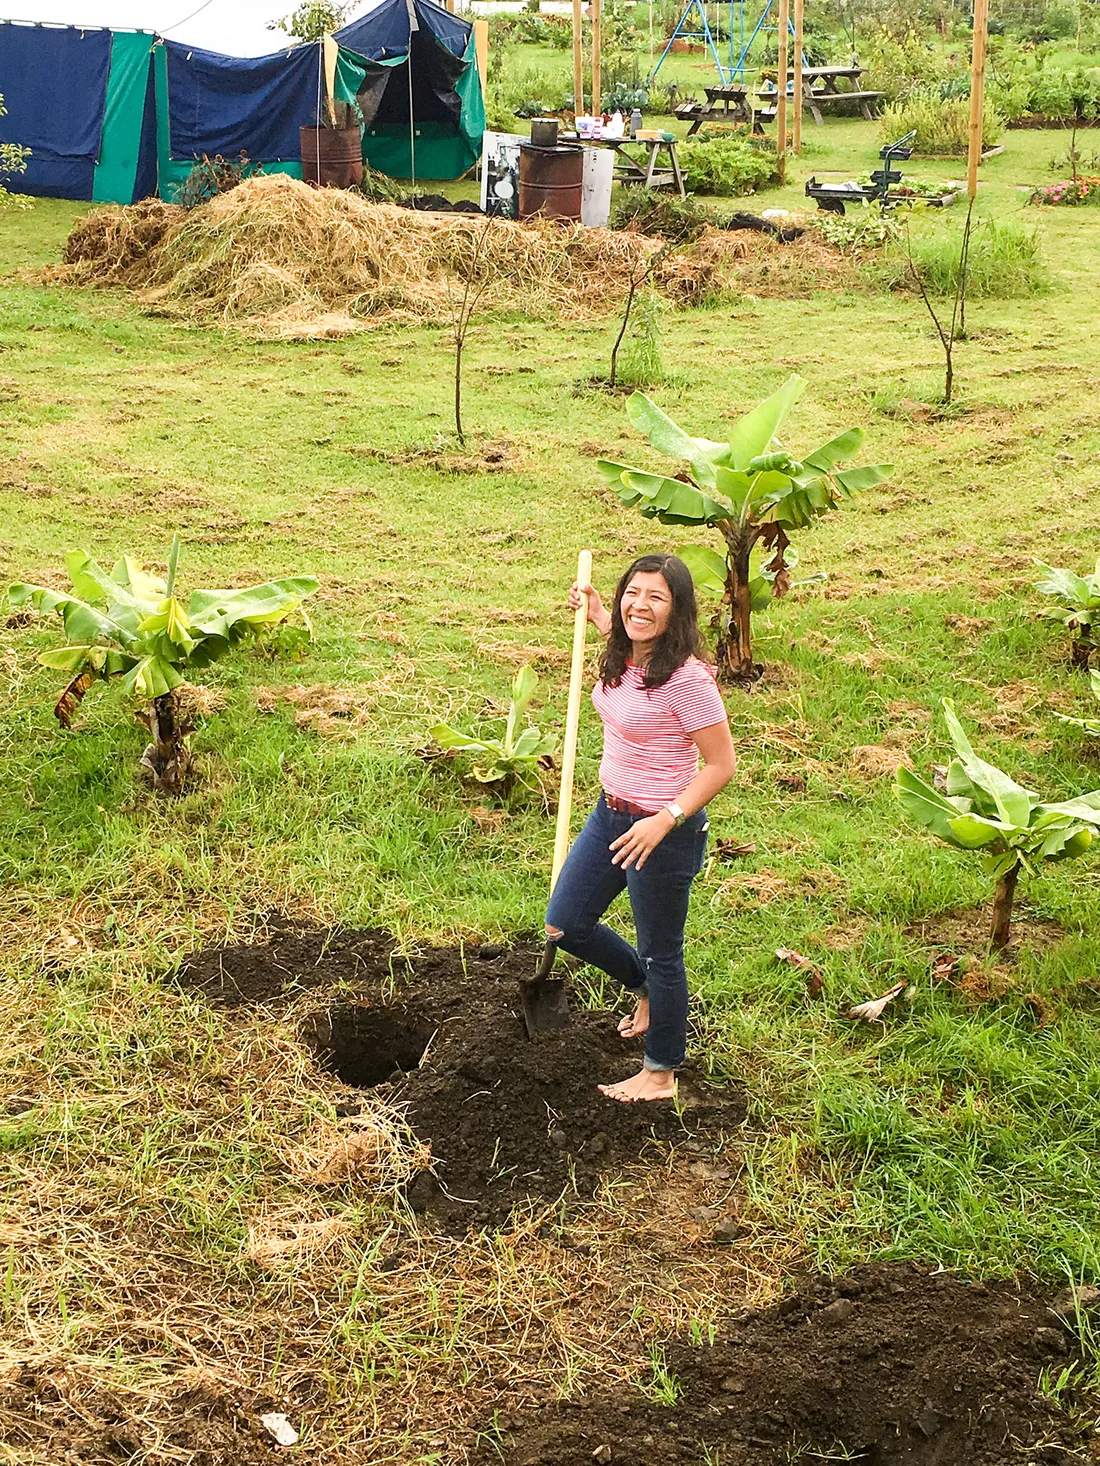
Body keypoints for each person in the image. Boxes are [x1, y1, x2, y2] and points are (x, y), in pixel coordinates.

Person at [545, 553, 737, 1103]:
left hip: (663, 832)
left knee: (661, 951)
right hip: (610, 813)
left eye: (656, 597)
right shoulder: (623, 654)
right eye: (633, 592)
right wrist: (601, 613)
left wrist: (665, 819)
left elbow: (721, 765)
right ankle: (644, 990)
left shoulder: (688, 680)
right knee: (565, 922)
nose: (640, 605)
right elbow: (625, 625)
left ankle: (660, 1072)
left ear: (677, 611)